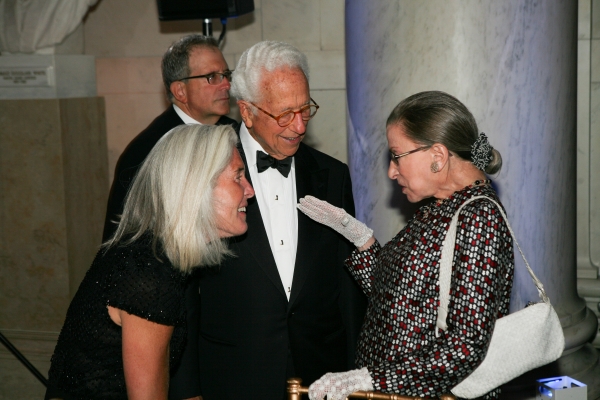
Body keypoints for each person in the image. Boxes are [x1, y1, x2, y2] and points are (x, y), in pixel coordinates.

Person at [174, 41, 367, 400]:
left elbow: (347, 283)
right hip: (233, 376)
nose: (298, 126)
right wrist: (187, 389)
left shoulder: (333, 175)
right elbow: (184, 290)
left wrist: (357, 374)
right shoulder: (205, 172)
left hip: (320, 377)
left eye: (305, 109)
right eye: (284, 114)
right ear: (246, 112)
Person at [298, 91, 515, 400]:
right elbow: (400, 301)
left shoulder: (479, 218)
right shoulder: (440, 207)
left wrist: (372, 379)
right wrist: (360, 238)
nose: (391, 171)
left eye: (396, 156)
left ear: (437, 157)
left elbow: (464, 347)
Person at [45, 124, 254, 400]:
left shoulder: (149, 251)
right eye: (238, 176)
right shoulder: (150, 272)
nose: (249, 190)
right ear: (196, 187)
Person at [102, 34, 236, 242]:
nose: (226, 84)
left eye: (226, 74)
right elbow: (128, 240)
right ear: (180, 91)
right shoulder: (147, 151)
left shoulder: (237, 133)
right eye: (212, 77)